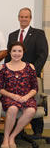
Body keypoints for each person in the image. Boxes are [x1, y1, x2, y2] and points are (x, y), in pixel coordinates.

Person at [5, 7, 49, 135]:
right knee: (17, 102)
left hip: (32, 76)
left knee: (33, 101)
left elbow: (43, 54)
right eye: (21, 16)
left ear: (30, 18)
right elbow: (9, 56)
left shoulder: (38, 33)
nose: (24, 19)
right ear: (18, 18)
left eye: (26, 17)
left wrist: (32, 72)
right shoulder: (12, 35)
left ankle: (37, 132)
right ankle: (19, 132)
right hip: (14, 76)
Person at [0, 42, 38, 148]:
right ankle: (5, 138)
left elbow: (35, 88)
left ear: (23, 53)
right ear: (10, 52)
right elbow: (0, 88)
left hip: (26, 97)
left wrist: (26, 97)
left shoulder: (30, 67)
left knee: (31, 111)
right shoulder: (3, 67)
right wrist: (12, 95)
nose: (16, 53)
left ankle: (12, 136)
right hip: (9, 97)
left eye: (19, 51)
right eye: (14, 51)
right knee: (13, 109)